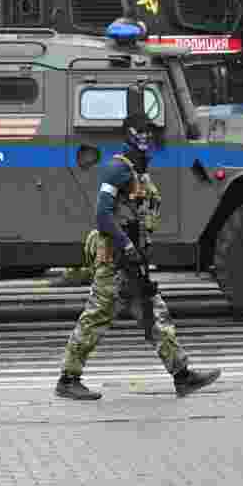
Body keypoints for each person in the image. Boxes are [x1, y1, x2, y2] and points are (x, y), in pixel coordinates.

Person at [56, 105, 221, 400]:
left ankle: (182, 376)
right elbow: (103, 216)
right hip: (116, 262)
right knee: (95, 317)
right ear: (129, 135)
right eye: (140, 132)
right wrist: (127, 245)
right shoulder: (117, 168)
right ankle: (68, 379)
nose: (146, 137)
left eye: (149, 132)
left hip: (134, 262)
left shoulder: (139, 172)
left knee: (155, 317)